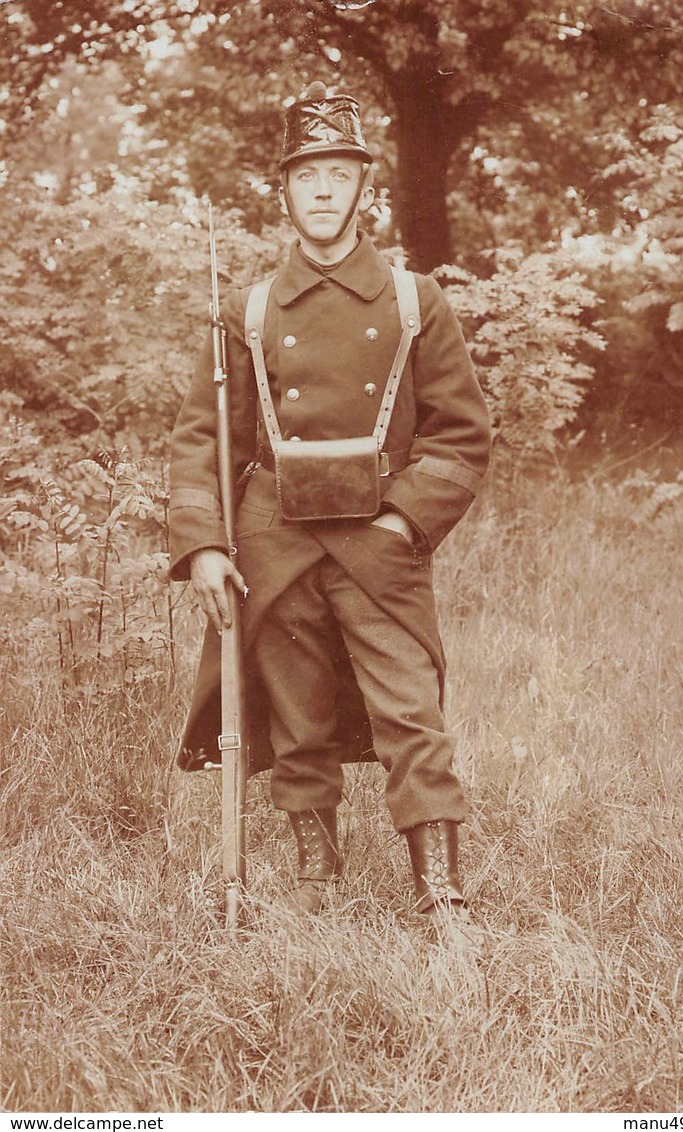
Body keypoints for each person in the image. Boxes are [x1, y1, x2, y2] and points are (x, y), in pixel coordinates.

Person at [168, 82, 491, 923]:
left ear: (362, 190)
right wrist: (205, 543)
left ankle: (438, 887)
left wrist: (401, 522)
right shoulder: (247, 311)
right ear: (283, 190)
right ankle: (317, 872)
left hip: (380, 543)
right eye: (306, 173)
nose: (321, 189)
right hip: (275, 544)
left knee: (410, 711)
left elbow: (460, 437)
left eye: (338, 173)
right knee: (297, 714)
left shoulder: (415, 300)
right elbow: (206, 438)